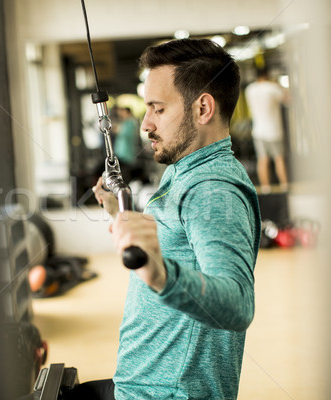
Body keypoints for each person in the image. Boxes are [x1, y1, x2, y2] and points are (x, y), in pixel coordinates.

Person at [89, 38, 261, 400]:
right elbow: (176, 239)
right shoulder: (186, 168)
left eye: (158, 109)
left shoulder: (213, 190)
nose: (145, 125)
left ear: (202, 108)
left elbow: (238, 303)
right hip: (141, 387)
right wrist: (120, 214)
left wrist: (160, 274)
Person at [244, 68, 289, 193]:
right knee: (279, 158)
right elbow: (287, 99)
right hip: (274, 130)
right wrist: (277, 84)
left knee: (262, 160)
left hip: (258, 130)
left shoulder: (250, 89)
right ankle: (285, 186)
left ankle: (265, 188)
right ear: (268, 76)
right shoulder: (272, 88)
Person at [112, 106, 141, 182]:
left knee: (125, 176)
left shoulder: (130, 122)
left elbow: (120, 131)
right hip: (122, 154)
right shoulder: (125, 122)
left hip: (127, 155)